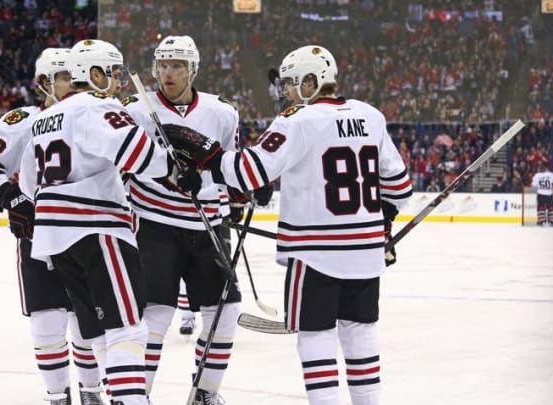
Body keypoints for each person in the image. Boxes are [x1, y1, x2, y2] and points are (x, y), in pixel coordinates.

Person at [162, 45, 413, 405]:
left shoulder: (297, 120)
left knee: (316, 337)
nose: (287, 93)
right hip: (365, 253)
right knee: (361, 335)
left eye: (292, 84)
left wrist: (207, 153)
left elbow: (247, 172)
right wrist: (384, 222)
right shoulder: (370, 116)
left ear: (312, 81)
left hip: (315, 256)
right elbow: (400, 189)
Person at [28, 38, 187, 405]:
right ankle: (132, 400)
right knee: (129, 327)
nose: (119, 83)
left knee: (99, 332)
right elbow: (139, 153)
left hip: (55, 236)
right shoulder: (96, 106)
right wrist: (174, 167)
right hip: (96, 228)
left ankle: (117, 395)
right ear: (94, 74)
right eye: (114, 74)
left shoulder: (45, 118)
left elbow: (33, 180)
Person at [122, 35, 271, 404]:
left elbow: (228, 164)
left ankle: (205, 392)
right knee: (156, 315)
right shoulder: (135, 109)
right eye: (163, 65)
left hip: (208, 224)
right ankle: (140, 395)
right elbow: (125, 164)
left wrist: (247, 188)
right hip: (155, 223)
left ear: (193, 70)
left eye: (177, 66)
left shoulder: (222, 111)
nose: (168, 73)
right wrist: (168, 176)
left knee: (225, 312)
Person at [0, 48, 106, 405]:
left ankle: (91, 393)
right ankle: (56, 397)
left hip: (86, 233)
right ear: (44, 82)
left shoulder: (91, 114)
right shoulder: (25, 121)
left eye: (76, 78)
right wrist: (11, 198)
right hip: (39, 237)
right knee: (47, 323)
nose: (72, 85)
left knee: (86, 321)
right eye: (64, 78)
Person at [531, 160, 553, 226]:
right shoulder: (551, 174)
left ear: (539, 168)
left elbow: (533, 185)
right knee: (551, 207)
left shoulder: (536, 175)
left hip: (541, 194)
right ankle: (552, 221)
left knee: (541, 207)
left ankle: (541, 221)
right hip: (549, 193)